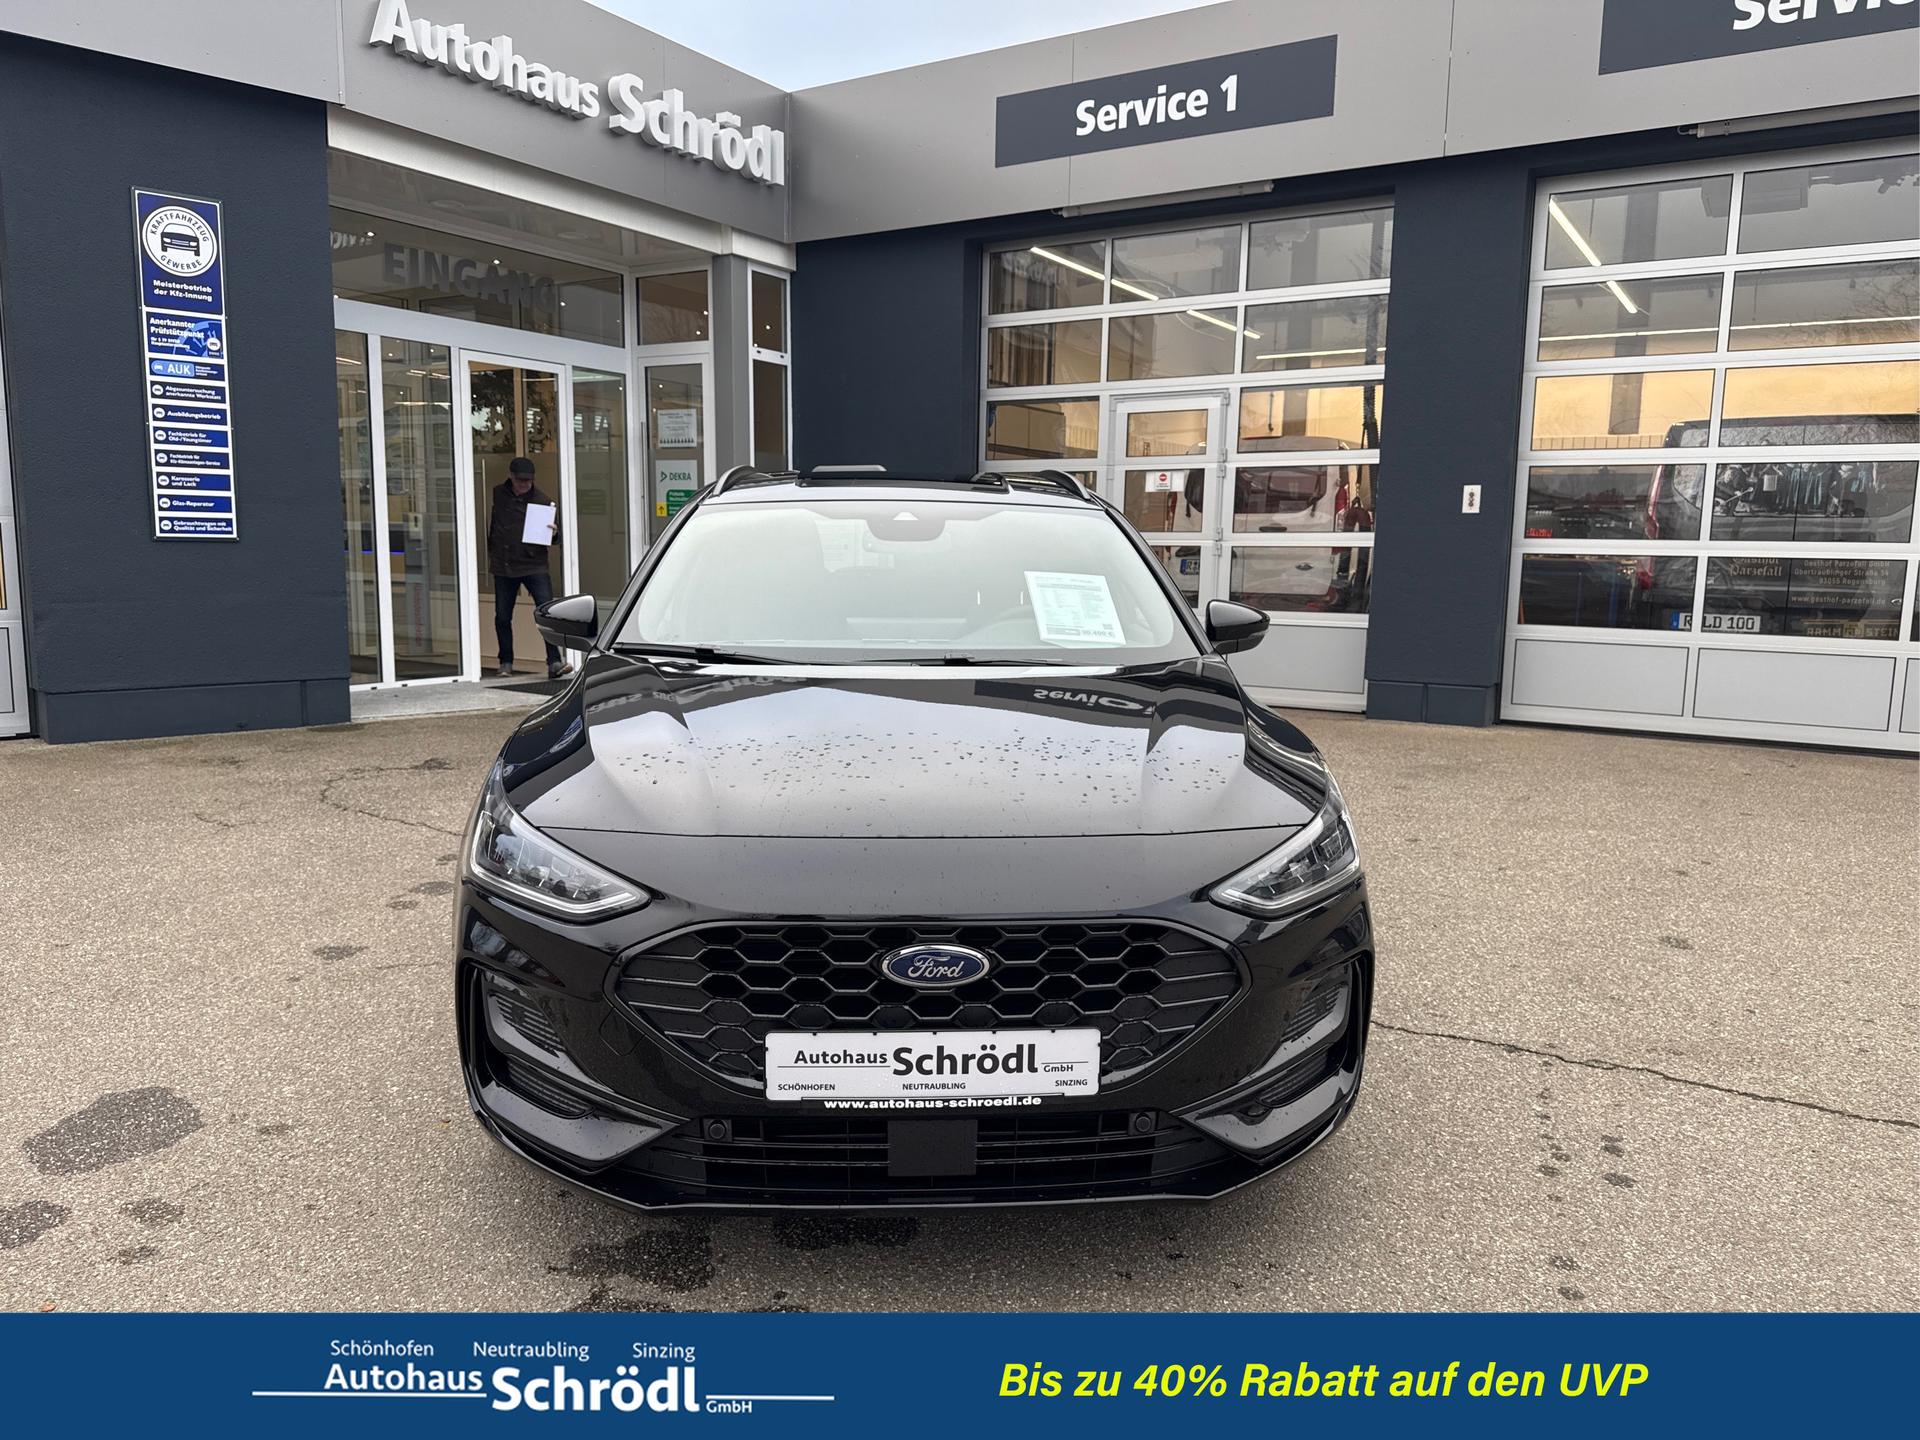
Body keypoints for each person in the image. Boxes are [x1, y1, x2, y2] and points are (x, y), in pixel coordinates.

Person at [486, 456, 564, 679]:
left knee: (546, 612)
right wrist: (493, 552)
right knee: (502, 616)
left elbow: (556, 538)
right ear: (511, 476)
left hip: (533, 564)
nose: (524, 484)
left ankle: (554, 661)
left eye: (528, 481)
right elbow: (494, 526)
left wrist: (554, 533)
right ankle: (506, 662)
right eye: (520, 480)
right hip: (505, 564)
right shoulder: (498, 494)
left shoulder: (542, 501)